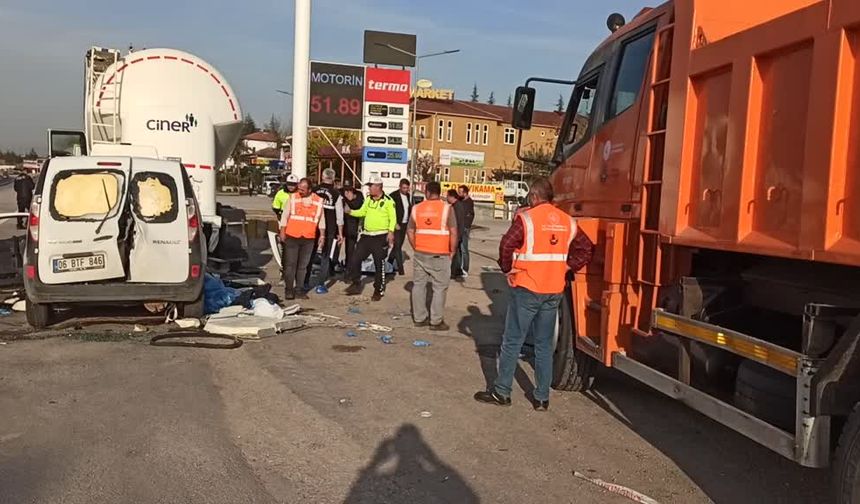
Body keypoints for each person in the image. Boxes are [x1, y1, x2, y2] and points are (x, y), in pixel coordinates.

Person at [474, 177, 594, 411]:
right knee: (543, 345)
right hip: (553, 290)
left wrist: (507, 269)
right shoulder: (567, 221)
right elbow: (586, 248)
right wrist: (569, 265)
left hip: (527, 288)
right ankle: (541, 397)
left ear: (534, 196)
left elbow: (507, 244)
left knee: (512, 341)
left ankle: (502, 391)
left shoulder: (527, 219)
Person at [408, 182, 458, 331]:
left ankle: (419, 318)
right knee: (440, 287)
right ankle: (435, 321)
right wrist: (452, 250)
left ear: (427, 192)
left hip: (420, 253)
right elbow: (454, 232)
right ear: (439, 192)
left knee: (418, 285)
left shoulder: (416, 208)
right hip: (440, 254)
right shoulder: (447, 209)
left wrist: (416, 246)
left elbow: (410, 231)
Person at [344, 175, 396, 301]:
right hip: (367, 235)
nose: (369, 189)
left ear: (378, 187)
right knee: (355, 258)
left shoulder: (389, 201)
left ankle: (378, 290)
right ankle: (356, 283)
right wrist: (350, 212)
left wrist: (391, 232)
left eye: (371, 186)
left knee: (379, 264)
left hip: (381, 235)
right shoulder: (368, 199)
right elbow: (362, 212)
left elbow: (393, 218)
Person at [278, 178, 326, 300]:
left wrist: (322, 235)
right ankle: (289, 290)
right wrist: (282, 231)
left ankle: (299, 290)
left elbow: (321, 220)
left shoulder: (318, 201)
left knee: (303, 266)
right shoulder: (293, 198)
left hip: (308, 237)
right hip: (292, 236)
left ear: (310, 189)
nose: (300, 191)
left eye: (303, 189)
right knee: (290, 265)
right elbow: (285, 216)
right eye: (299, 188)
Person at [305, 168, 344, 294]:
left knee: (309, 254)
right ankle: (321, 284)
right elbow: (340, 216)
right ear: (333, 179)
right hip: (329, 229)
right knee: (325, 256)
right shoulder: (336, 194)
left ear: (322, 177)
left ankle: (305, 282)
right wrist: (341, 233)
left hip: (312, 226)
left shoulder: (314, 191)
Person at [388, 178, 412, 276]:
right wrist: (394, 223)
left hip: (405, 223)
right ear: (400, 187)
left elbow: (408, 209)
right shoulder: (393, 196)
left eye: (407, 188)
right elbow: (390, 211)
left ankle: (389, 263)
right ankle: (400, 269)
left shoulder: (408, 196)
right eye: (404, 188)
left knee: (399, 245)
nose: (405, 190)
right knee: (397, 246)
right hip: (396, 224)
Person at [341, 181, 364, 273]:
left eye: (348, 191)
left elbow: (360, 209)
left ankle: (349, 268)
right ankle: (333, 265)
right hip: (342, 223)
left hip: (352, 224)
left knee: (350, 249)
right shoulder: (341, 193)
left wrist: (360, 224)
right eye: (345, 190)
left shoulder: (359, 196)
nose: (346, 193)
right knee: (336, 248)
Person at [447, 189, 467, 279]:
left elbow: (458, 222)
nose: (446, 198)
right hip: (458, 233)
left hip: (457, 233)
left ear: (451, 197)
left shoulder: (457, 206)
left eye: (447, 196)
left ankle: (454, 272)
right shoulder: (456, 205)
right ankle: (457, 270)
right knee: (457, 253)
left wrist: (457, 235)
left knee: (454, 253)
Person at [456, 185, 475, 278]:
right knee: (458, 248)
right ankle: (458, 268)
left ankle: (465, 269)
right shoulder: (459, 200)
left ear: (465, 193)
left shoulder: (469, 202)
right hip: (458, 227)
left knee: (464, 249)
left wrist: (466, 226)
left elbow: (469, 216)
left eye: (460, 192)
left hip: (464, 228)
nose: (459, 194)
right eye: (458, 192)